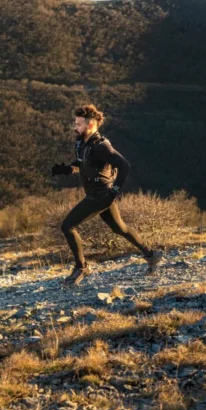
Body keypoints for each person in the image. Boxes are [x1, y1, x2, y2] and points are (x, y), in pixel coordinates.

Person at [51, 104, 158, 285]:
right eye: (75, 123)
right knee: (119, 228)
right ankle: (151, 254)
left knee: (67, 226)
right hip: (97, 194)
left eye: (78, 124)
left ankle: (81, 268)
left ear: (90, 125)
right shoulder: (82, 143)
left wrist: (114, 191)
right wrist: (67, 169)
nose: (75, 127)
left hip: (101, 195)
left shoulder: (102, 146)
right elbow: (81, 162)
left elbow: (124, 165)